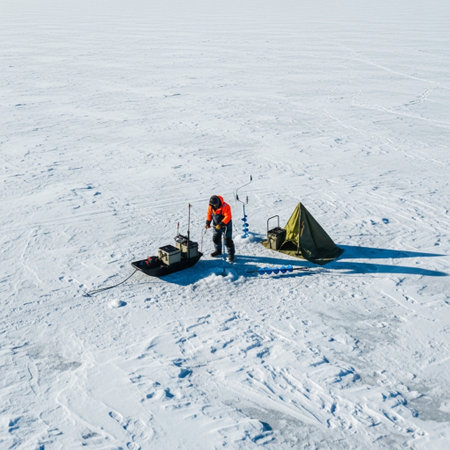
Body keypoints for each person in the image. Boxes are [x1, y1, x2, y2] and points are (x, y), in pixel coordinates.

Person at [205, 195, 235, 262]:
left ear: (218, 203)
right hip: (216, 225)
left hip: (226, 225)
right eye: (213, 204)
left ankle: (231, 254)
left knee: (228, 241)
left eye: (215, 204)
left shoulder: (225, 206)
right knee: (216, 238)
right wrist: (208, 223)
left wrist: (221, 224)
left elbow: (228, 216)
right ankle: (218, 250)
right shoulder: (211, 207)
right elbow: (209, 214)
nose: (214, 206)